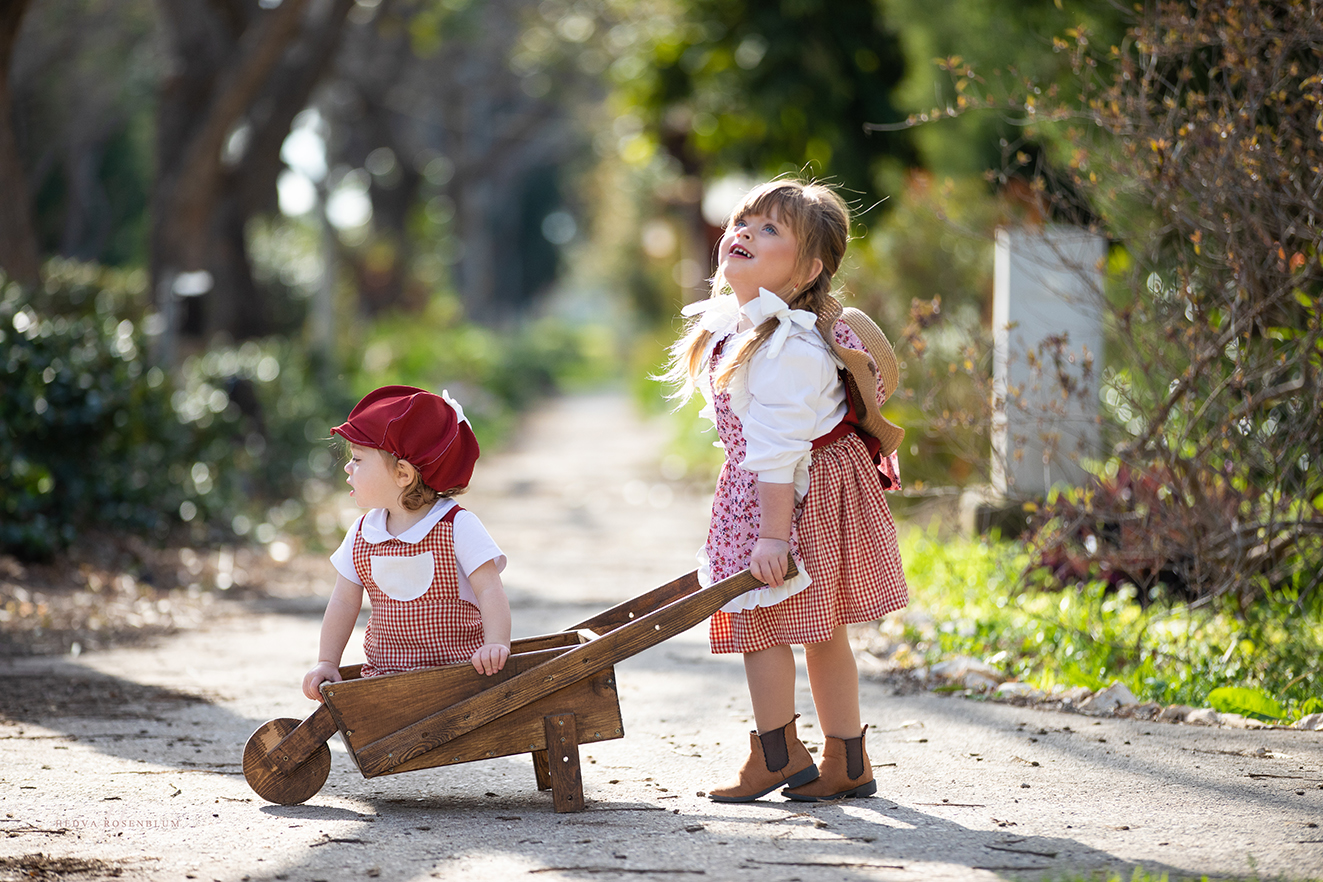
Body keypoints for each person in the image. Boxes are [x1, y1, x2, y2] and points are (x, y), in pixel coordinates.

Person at [662, 179, 908, 802]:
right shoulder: (750, 328)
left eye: (770, 229)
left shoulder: (787, 347)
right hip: (810, 488)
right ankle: (845, 759)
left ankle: (777, 753)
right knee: (821, 629)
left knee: (761, 623)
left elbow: (776, 452)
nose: (742, 232)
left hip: (795, 495)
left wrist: (772, 535)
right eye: (743, 221)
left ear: (808, 270)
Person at [302, 385, 512, 703]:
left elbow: (489, 589)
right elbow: (344, 603)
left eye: (358, 459)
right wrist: (327, 662)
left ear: (402, 474)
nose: (347, 467)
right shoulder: (361, 534)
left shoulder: (456, 526)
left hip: (459, 678)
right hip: (386, 682)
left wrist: (496, 643)